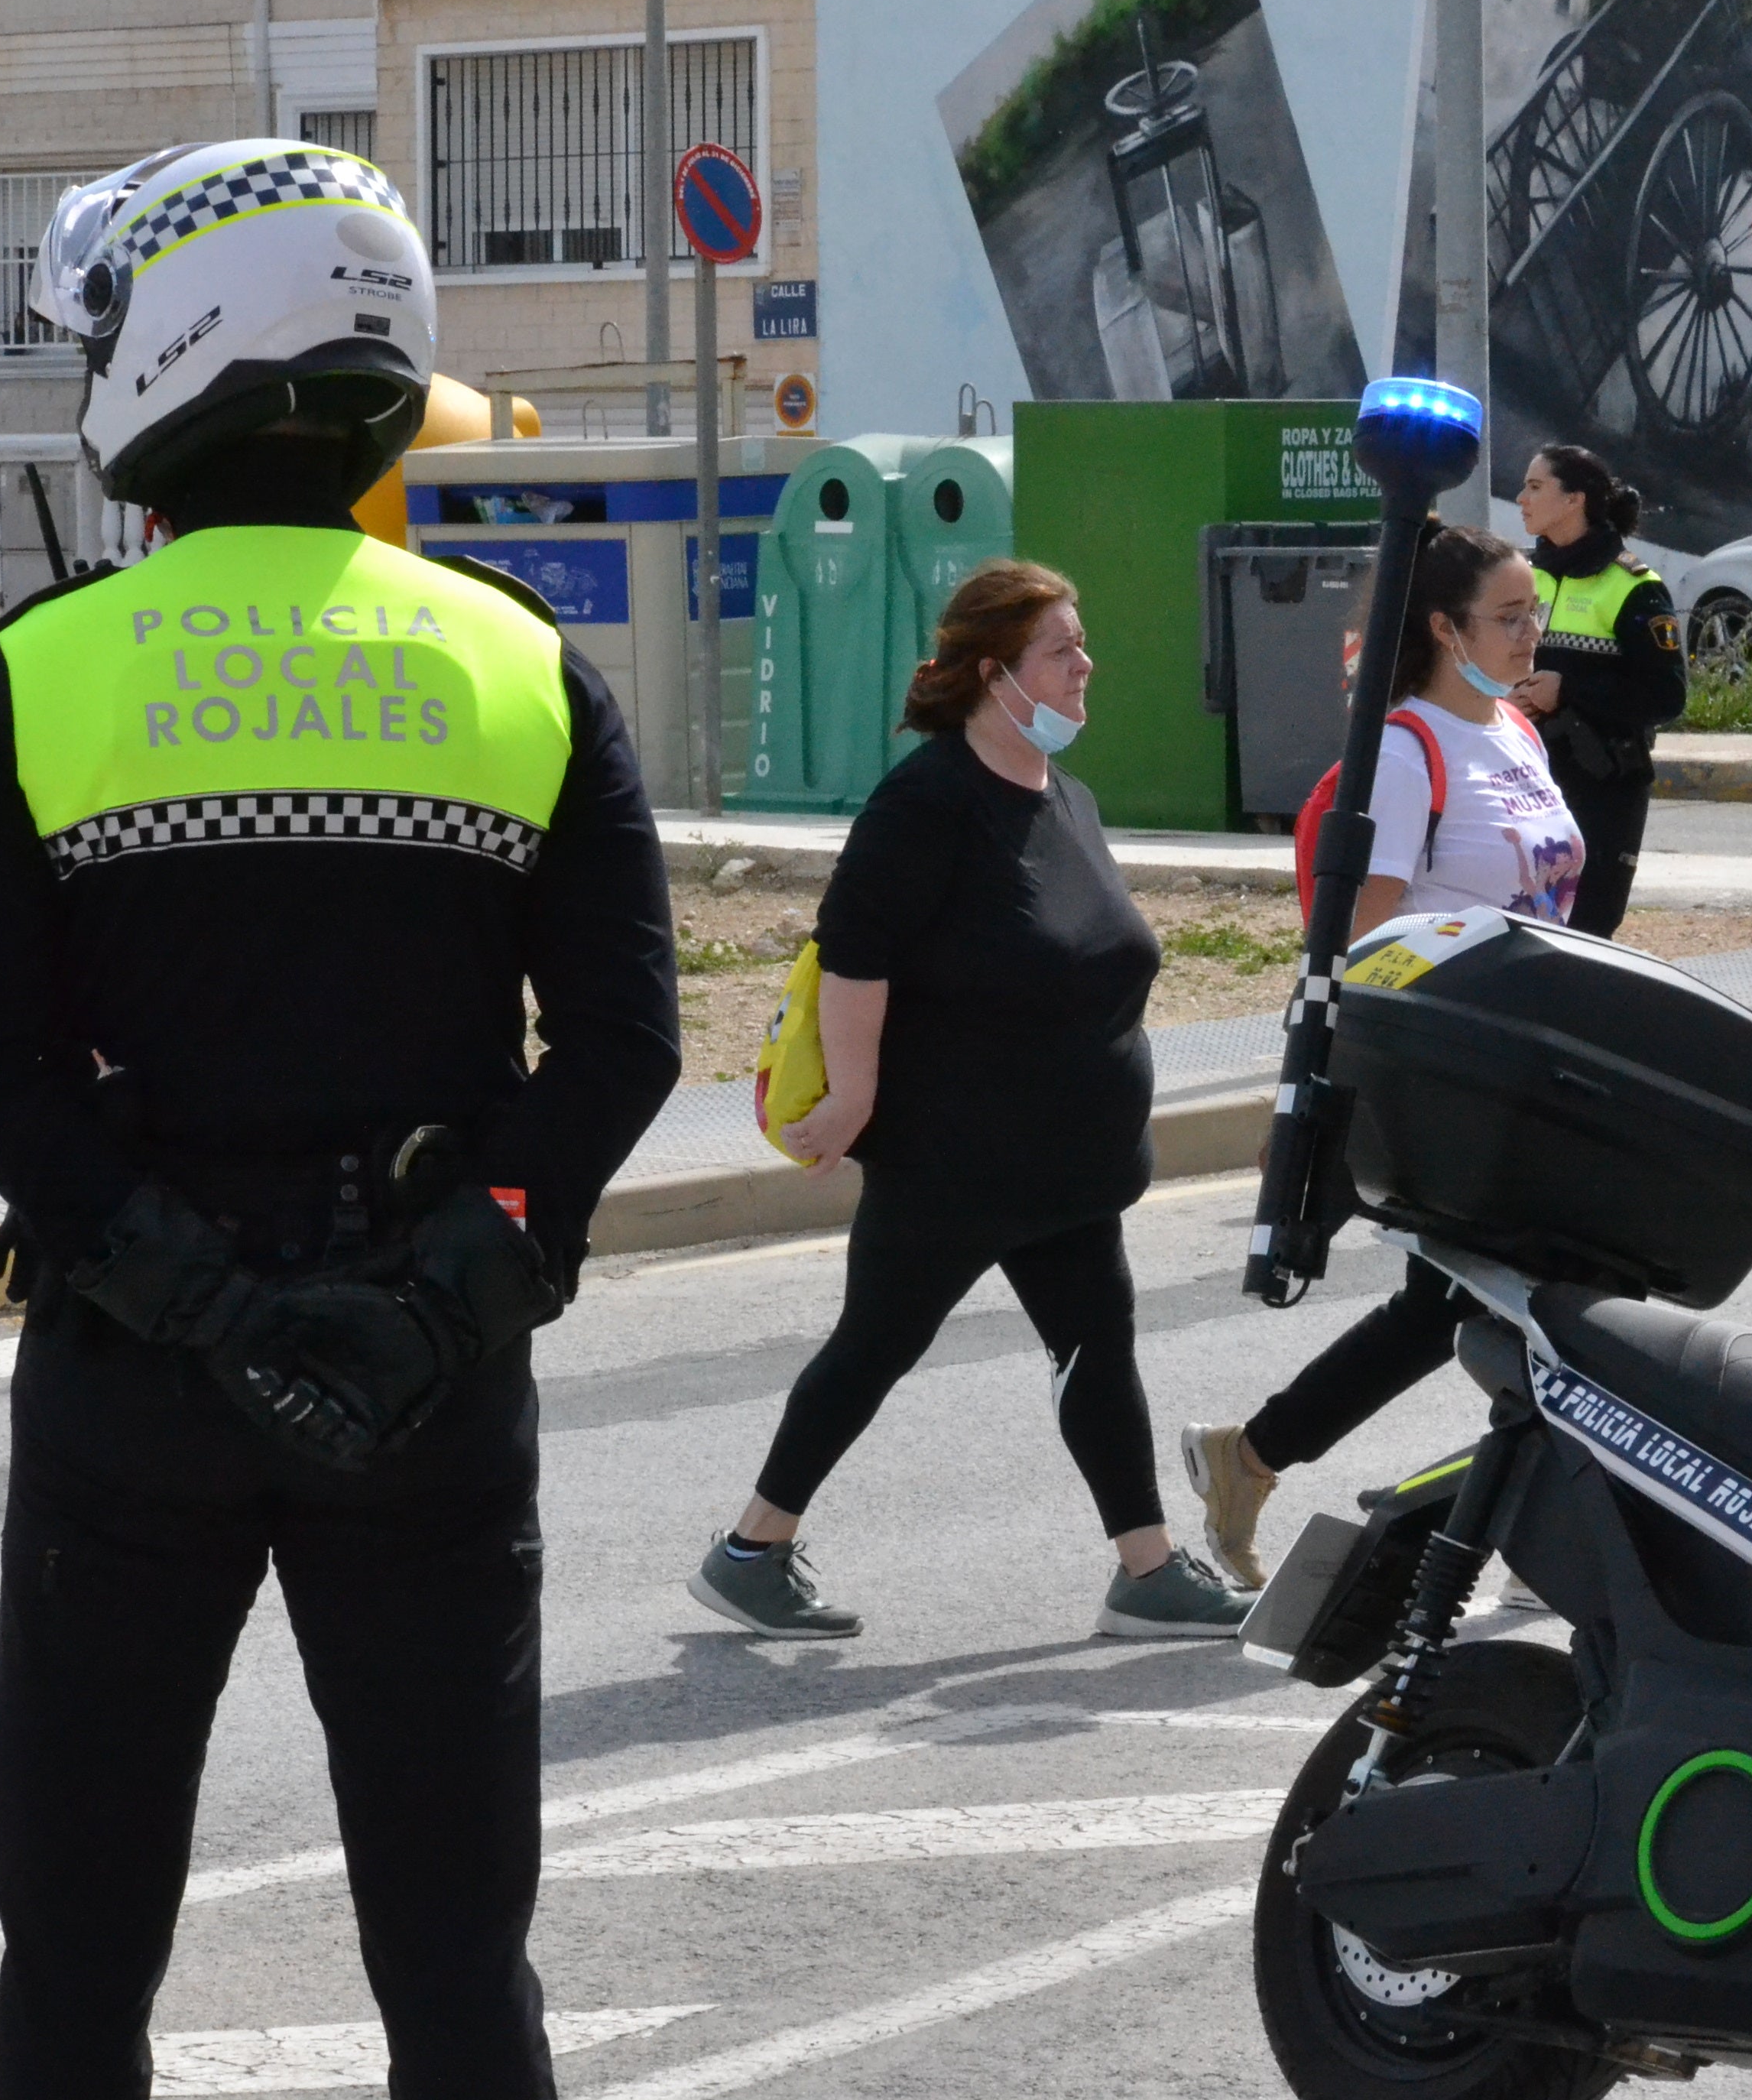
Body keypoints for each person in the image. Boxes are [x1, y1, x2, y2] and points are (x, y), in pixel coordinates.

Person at [0, 141, 680, 2100]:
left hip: (137, 1387)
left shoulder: (44, 675)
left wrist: (183, 1282)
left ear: (175, 349)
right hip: (430, 1389)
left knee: (79, 1957)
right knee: (456, 1961)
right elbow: (622, 1044)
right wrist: (455, 1277)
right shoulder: (519, 666)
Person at [684, 562, 1249, 1643]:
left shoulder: (1065, 798)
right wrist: (853, 1099)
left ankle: (1146, 1571)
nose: (1085, 665)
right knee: (874, 1348)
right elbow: (854, 958)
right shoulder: (927, 802)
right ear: (995, 675)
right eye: (1061, 650)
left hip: (1066, 1167)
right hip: (957, 1161)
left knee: (1098, 1347)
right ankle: (751, 1550)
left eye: (1080, 644)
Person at [1179, 523, 1582, 1585]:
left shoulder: (1516, 731)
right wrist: (1314, 1091)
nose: (1530, 633)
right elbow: (1363, 947)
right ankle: (1531, 1531)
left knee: (1468, 1307)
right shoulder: (1404, 754)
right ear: (1444, 629)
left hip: (1535, 1070)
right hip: (1453, 1084)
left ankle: (1252, 1457)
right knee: (1527, 1305)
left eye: (1534, 612)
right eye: (1508, 617)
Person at [1512, 443, 1688, 936]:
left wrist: (1567, 690)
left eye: (1535, 487)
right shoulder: (1521, 577)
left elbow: (1666, 696)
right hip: (1525, 776)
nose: (1521, 499)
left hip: (1602, 785)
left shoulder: (1633, 586)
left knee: (1588, 927)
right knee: (1521, 924)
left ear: (1575, 500)